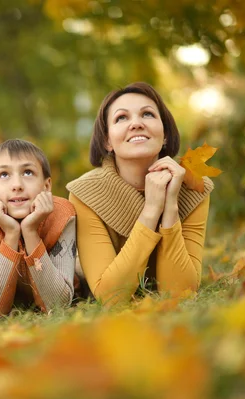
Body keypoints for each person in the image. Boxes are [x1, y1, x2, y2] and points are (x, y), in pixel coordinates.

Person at [67, 82, 213, 305]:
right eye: (121, 118)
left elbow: (179, 293)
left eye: (147, 114)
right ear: (107, 141)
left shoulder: (193, 187)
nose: (136, 123)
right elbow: (110, 297)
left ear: (164, 134)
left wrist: (170, 205)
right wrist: (151, 210)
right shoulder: (85, 194)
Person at [0, 139, 76, 315]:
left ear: (46, 186)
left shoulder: (62, 215)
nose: (17, 185)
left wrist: (31, 232)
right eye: (4, 175)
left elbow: (58, 305)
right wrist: (11, 234)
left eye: (28, 172)